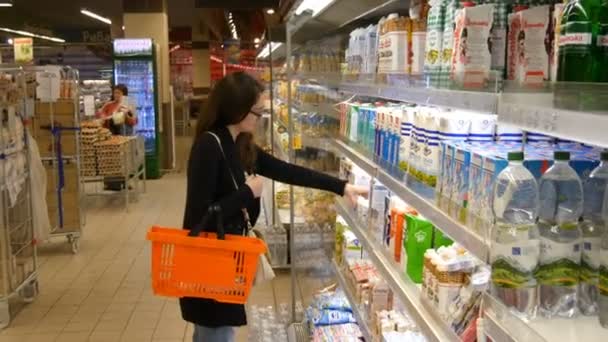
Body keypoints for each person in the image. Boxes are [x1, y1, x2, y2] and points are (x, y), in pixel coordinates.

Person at [182, 71, 367, 342]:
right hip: (209, 269)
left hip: (227, 264)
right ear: (236, 109)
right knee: (216, 333)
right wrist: (248, 192)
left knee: (215, 334)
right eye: (256, 112)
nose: (260, 118)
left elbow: (286, 171)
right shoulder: (209, 146)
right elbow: (199, 219)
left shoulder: (238, 144)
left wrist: (341, 186)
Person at [96, 84, 137, 190]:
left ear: (124, 95)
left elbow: (134, 121)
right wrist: (105, 117)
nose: (116, 95)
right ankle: (110, 183)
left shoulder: (128, 106)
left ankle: (126, 181)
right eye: (115, 92)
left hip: (124, 137)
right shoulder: (109, 105)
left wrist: (126, 114)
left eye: (119, 93)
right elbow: (100, 114)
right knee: (111, 160)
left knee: (124, 161)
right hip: (111, 138)